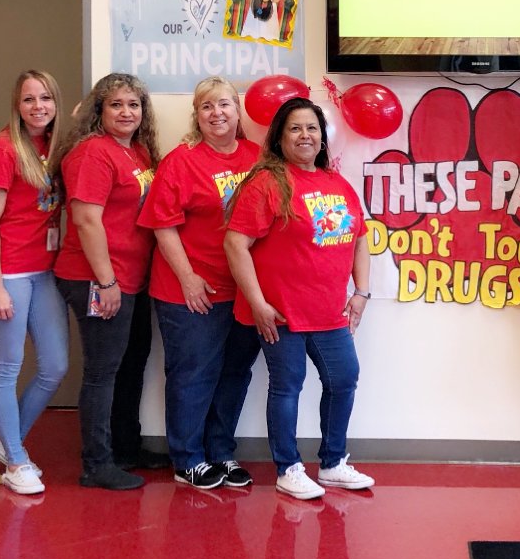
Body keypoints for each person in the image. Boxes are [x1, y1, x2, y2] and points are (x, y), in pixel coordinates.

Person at [224, 97, 373, 500]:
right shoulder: (267, 182)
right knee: (287, 387)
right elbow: (236, 244)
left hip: (329, 313)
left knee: (343, 380)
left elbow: (360, 238)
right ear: (279, 137)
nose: (305, 136)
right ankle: (288, 467)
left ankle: (332, 462)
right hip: (282, 313)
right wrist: (257, 304)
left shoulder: (336, 183)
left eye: (312, 128)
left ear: (323, 138)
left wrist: (361, 292)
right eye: (295, 128)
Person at [139, 76, 262, 490]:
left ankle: (221, 452)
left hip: (242, 290)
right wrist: (188, 278)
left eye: (224, 104)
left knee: (234, 373)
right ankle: (188, 458)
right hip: (189, 290)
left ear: (237, 110)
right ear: (196, 114)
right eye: (207, 106)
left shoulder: (256, 156)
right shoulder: (182, 160)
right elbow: (163, 227)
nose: (217, 113)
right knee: (194, 374)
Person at [52, 73, 164, 491]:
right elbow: (84, 219)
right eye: (116, 104)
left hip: (130, 279)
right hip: (96, 278)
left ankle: (126, 447)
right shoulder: (91, 154)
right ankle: (96, 463)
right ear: (98, 109)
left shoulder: (135, 151)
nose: (126, 112)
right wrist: (107, 281)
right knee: (103, 372)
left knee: (131, 364)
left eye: (133, 105)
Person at [0, 70, 70, 495]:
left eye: (45, 98)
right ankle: (15, 459)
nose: (38, 107)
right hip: (7, 271)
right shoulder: (2, 149)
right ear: (17, 105)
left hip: (42, 269)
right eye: (29, 99)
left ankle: (7, 440)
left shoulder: (56, 146)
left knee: (55, 365)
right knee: (7, 365)